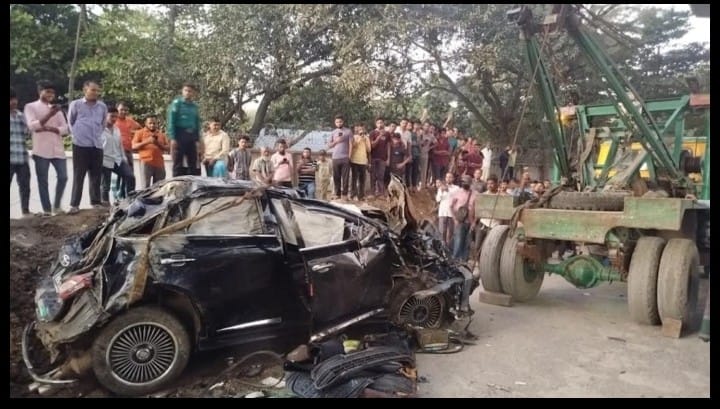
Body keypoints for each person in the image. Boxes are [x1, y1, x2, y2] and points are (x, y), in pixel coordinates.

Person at [23, 80, 70, 216]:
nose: (51, 95)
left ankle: (57, 205)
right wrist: (50, 115)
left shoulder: (57, 109)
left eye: (53, 92)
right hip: (41, 150)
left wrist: (50, 128)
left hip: (58, 150)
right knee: (43, 181)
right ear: (40, 92)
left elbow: (65, 129)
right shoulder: (30, 107)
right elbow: (33, 126)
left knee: (63, 177)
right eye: (48, 91)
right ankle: (47, 210)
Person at [67, 80, 108, 214]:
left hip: (96, 145)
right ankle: (74, 204)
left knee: (96, 175)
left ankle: (95, 202)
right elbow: (70, 122)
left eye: (97, 90)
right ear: (85, 90)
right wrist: (76, 135)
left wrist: (97, 135)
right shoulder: (76, 104)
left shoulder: (102, 106)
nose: (96, 93)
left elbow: (103, 124)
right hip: (80, 144)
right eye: (93, 90)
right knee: (79, 175)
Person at [101, 108, 135, 204]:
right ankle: (105, 205)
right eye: (112, 116)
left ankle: (130, 200)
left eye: (116, 117)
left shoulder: (116, 129)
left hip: (118, 159)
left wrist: (124, 158)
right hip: (104, 160)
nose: (114, 119)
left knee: (130, 176)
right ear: (105, 116)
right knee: (105, 186)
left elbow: (120, 145)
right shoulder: (99, 129)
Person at [167, 82, 202, 177]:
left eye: (190, 91)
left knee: (193, 162)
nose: (187, 93)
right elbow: (171, 121)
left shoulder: (194, 106)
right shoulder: (177, 103)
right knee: (178, 162)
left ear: (193, 93)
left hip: (191, 135)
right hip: (180, 134)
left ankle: (192, 184)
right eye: (186, 90)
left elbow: (197, 123)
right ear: (182, 91)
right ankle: (176, 183)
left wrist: (197, 140)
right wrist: (172, 138)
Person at [10, 87, 32, 217]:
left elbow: (28, 132)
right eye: (10, 99)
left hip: (22, 157)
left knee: (25, 186)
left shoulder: (21, 115)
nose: (13, 102)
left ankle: (26, 211)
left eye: (14, 99)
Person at [132, 115, 168, 188]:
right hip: (146, 162)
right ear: (146, 123)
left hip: (159, 164)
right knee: (145, 187)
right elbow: (133, 146)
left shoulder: (161, 134)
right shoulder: (140, 133)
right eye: (150, 123)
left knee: (159, 187)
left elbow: (168, 148)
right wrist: (147, 141)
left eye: (154, 123)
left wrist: (157, 143)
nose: (152, 125)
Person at [114, 102, 141, 198]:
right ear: (117, 110)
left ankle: (129, 197)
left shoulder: (129, 121)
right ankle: (118, 198)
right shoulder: (113, 120)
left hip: (128, 151)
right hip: (117, 152)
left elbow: (140, 129)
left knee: (130, 176)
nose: (123, 112)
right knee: (120, 176)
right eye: (121, 110)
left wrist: (133, 133)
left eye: (125, 110)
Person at [450, 174, 477, 261]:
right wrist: (454, 219)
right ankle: (455, 261)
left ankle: (464, 261)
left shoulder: (475, 194)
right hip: (460, 221)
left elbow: (478, 209)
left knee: (467, 243)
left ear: (470, 183)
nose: (464, 183)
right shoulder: (457, 192)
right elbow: (451, 206)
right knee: (458, 241)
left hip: (470, 222)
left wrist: (474, 222)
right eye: (463, 182)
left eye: (466, 182)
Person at [328, 114, 352, 200]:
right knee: (336, 177)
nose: (339, 123)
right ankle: (337, 194)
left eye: (340, 121)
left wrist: (349, 157)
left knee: (345, 177)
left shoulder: (348, 131)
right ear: (335, 123)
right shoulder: (333, 132)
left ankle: (345, 194)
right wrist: (336, 141)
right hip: (335, 157)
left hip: (345, 157)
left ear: (343, 122)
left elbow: (351, 144)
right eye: (337, 122)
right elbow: (329, 145)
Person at [436, 172, 459, 250]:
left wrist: (447, 190)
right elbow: (438, 199)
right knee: (442, 231)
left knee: (450, 232)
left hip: (451, 213)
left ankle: (449, 249)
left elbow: (456, 199)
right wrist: (442, 191)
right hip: (442, 212)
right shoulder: (441, 188)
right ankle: (442, 248)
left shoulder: (456, 188)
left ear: (453, 179)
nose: (448, 179)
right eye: (447, 177)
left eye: (450, 177)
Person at [369, 117, 391, 197]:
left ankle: (380, 192)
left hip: (383, 158)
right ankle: (372, 192)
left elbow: (388, 146)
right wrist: (379, 136)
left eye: (381, 122)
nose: (380, 124)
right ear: (376, 124)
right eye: (378, 123)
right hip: (374, 157)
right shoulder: (372, 133)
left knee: (381, 176)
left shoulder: (387, 133)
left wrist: (388, 158)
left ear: (383, 123)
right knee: (373, 176)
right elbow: (372, 145)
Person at [349, 123, 371, 201]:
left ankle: (361, 195)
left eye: (362, 129)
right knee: (354, 179)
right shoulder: (353, 137)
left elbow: (369, 150)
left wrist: (365, 140)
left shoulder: (367, 138)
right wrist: (359, 139)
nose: (361, 130)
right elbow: (353, 146)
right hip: (354, 160)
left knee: (362, 179)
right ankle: (353, 194)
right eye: (359, 129)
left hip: (363, 161)